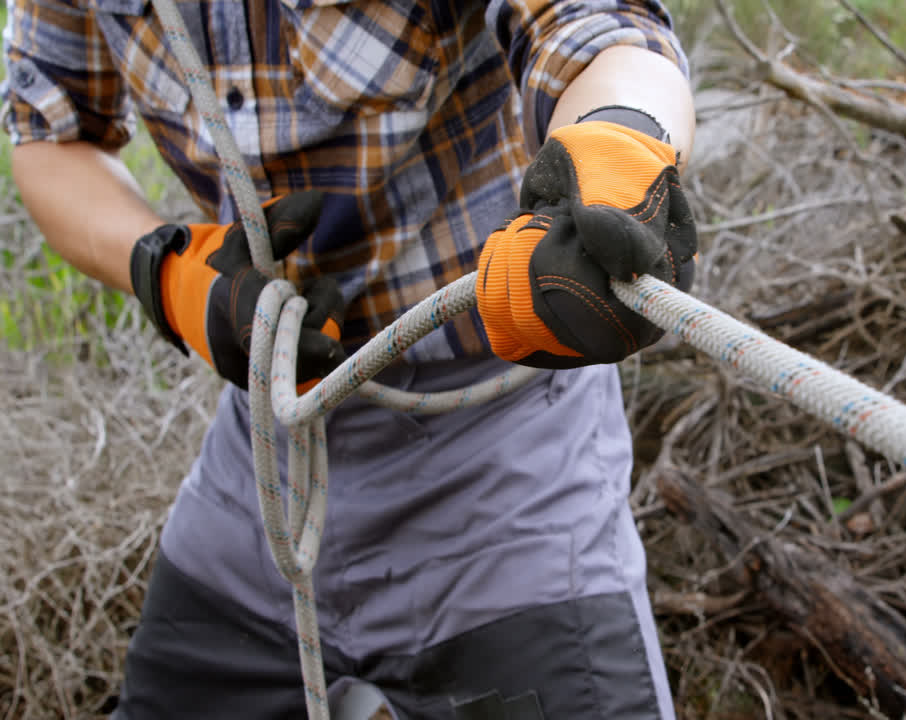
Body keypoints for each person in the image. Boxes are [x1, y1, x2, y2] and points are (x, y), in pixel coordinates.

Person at [3, 0, 697, 717]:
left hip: (507, 456)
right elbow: (49, 135)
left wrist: (620, 150)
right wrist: (168, 273)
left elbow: (602, 29)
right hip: (264, 460)